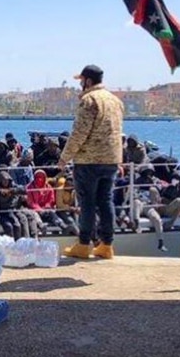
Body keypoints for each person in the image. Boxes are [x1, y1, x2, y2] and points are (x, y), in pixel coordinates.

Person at [57, 64, 125, 260]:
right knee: (106, 201)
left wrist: (64, 157)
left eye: (81, 81)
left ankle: (84, 244)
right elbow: (117, 131)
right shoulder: (115, 101)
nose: (80, 84)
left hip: (89, 160)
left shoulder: (89, 100)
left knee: (87, 202)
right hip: (111, 159)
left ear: (87, 80)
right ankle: (106, 245)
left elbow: (79, 133)